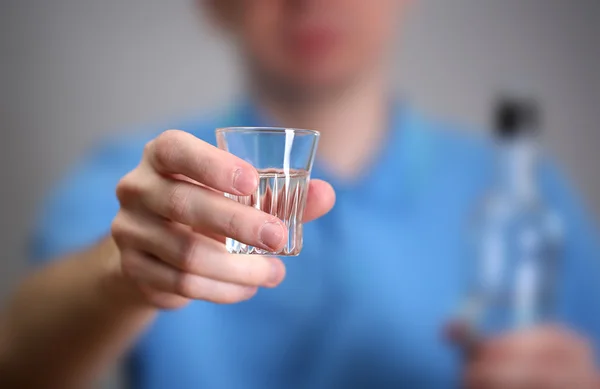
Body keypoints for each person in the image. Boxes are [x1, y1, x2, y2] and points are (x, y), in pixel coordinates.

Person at [1, 1, 599, 388]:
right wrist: (123, 271)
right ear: (214, 6)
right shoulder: (137, 176)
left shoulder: (525, 195)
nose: (311, 1)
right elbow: (17, 365)